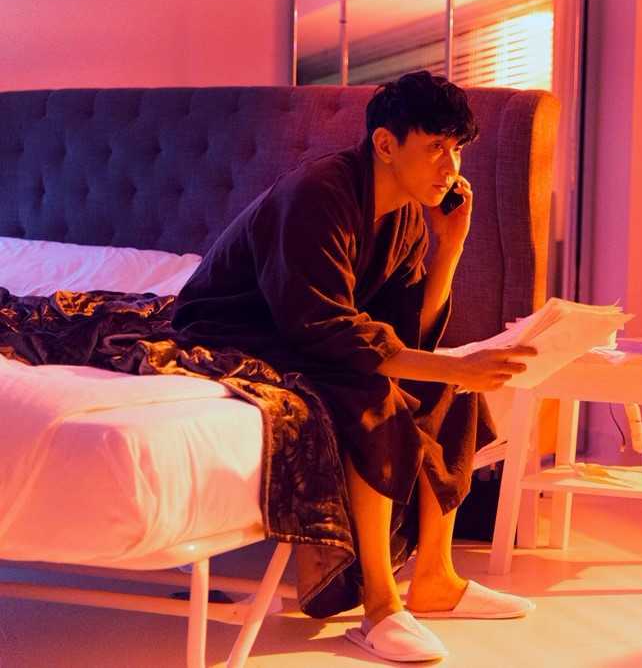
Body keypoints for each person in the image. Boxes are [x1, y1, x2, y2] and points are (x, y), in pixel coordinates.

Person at [171, 70, 537, 662]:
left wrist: (450, 247)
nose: (451, 168)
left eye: (458, 150)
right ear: (386, 144)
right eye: (436, 147)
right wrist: (447, 365)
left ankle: (436, 578)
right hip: (240, 330)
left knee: (452, 387)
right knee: (369, 390)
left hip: (313, 332)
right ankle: (380, 606)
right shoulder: (318, 194)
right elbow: (321, 325)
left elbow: (409, 333)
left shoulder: (406, 215)